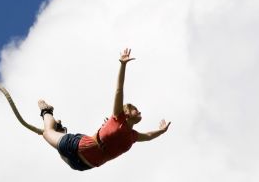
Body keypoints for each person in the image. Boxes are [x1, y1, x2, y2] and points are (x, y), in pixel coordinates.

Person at [39, 48, 170, 171]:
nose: (139, 111)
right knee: (47, 133)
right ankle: (47, 111)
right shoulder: (118, 117)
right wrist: (123, 65)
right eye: (135, 109)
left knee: (61, 152)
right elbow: (119, 89)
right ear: (127, 113)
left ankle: (61, 131)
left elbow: (148, 136)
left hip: (82, 165)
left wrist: (161, 131)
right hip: (77, 145)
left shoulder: (132, 136)